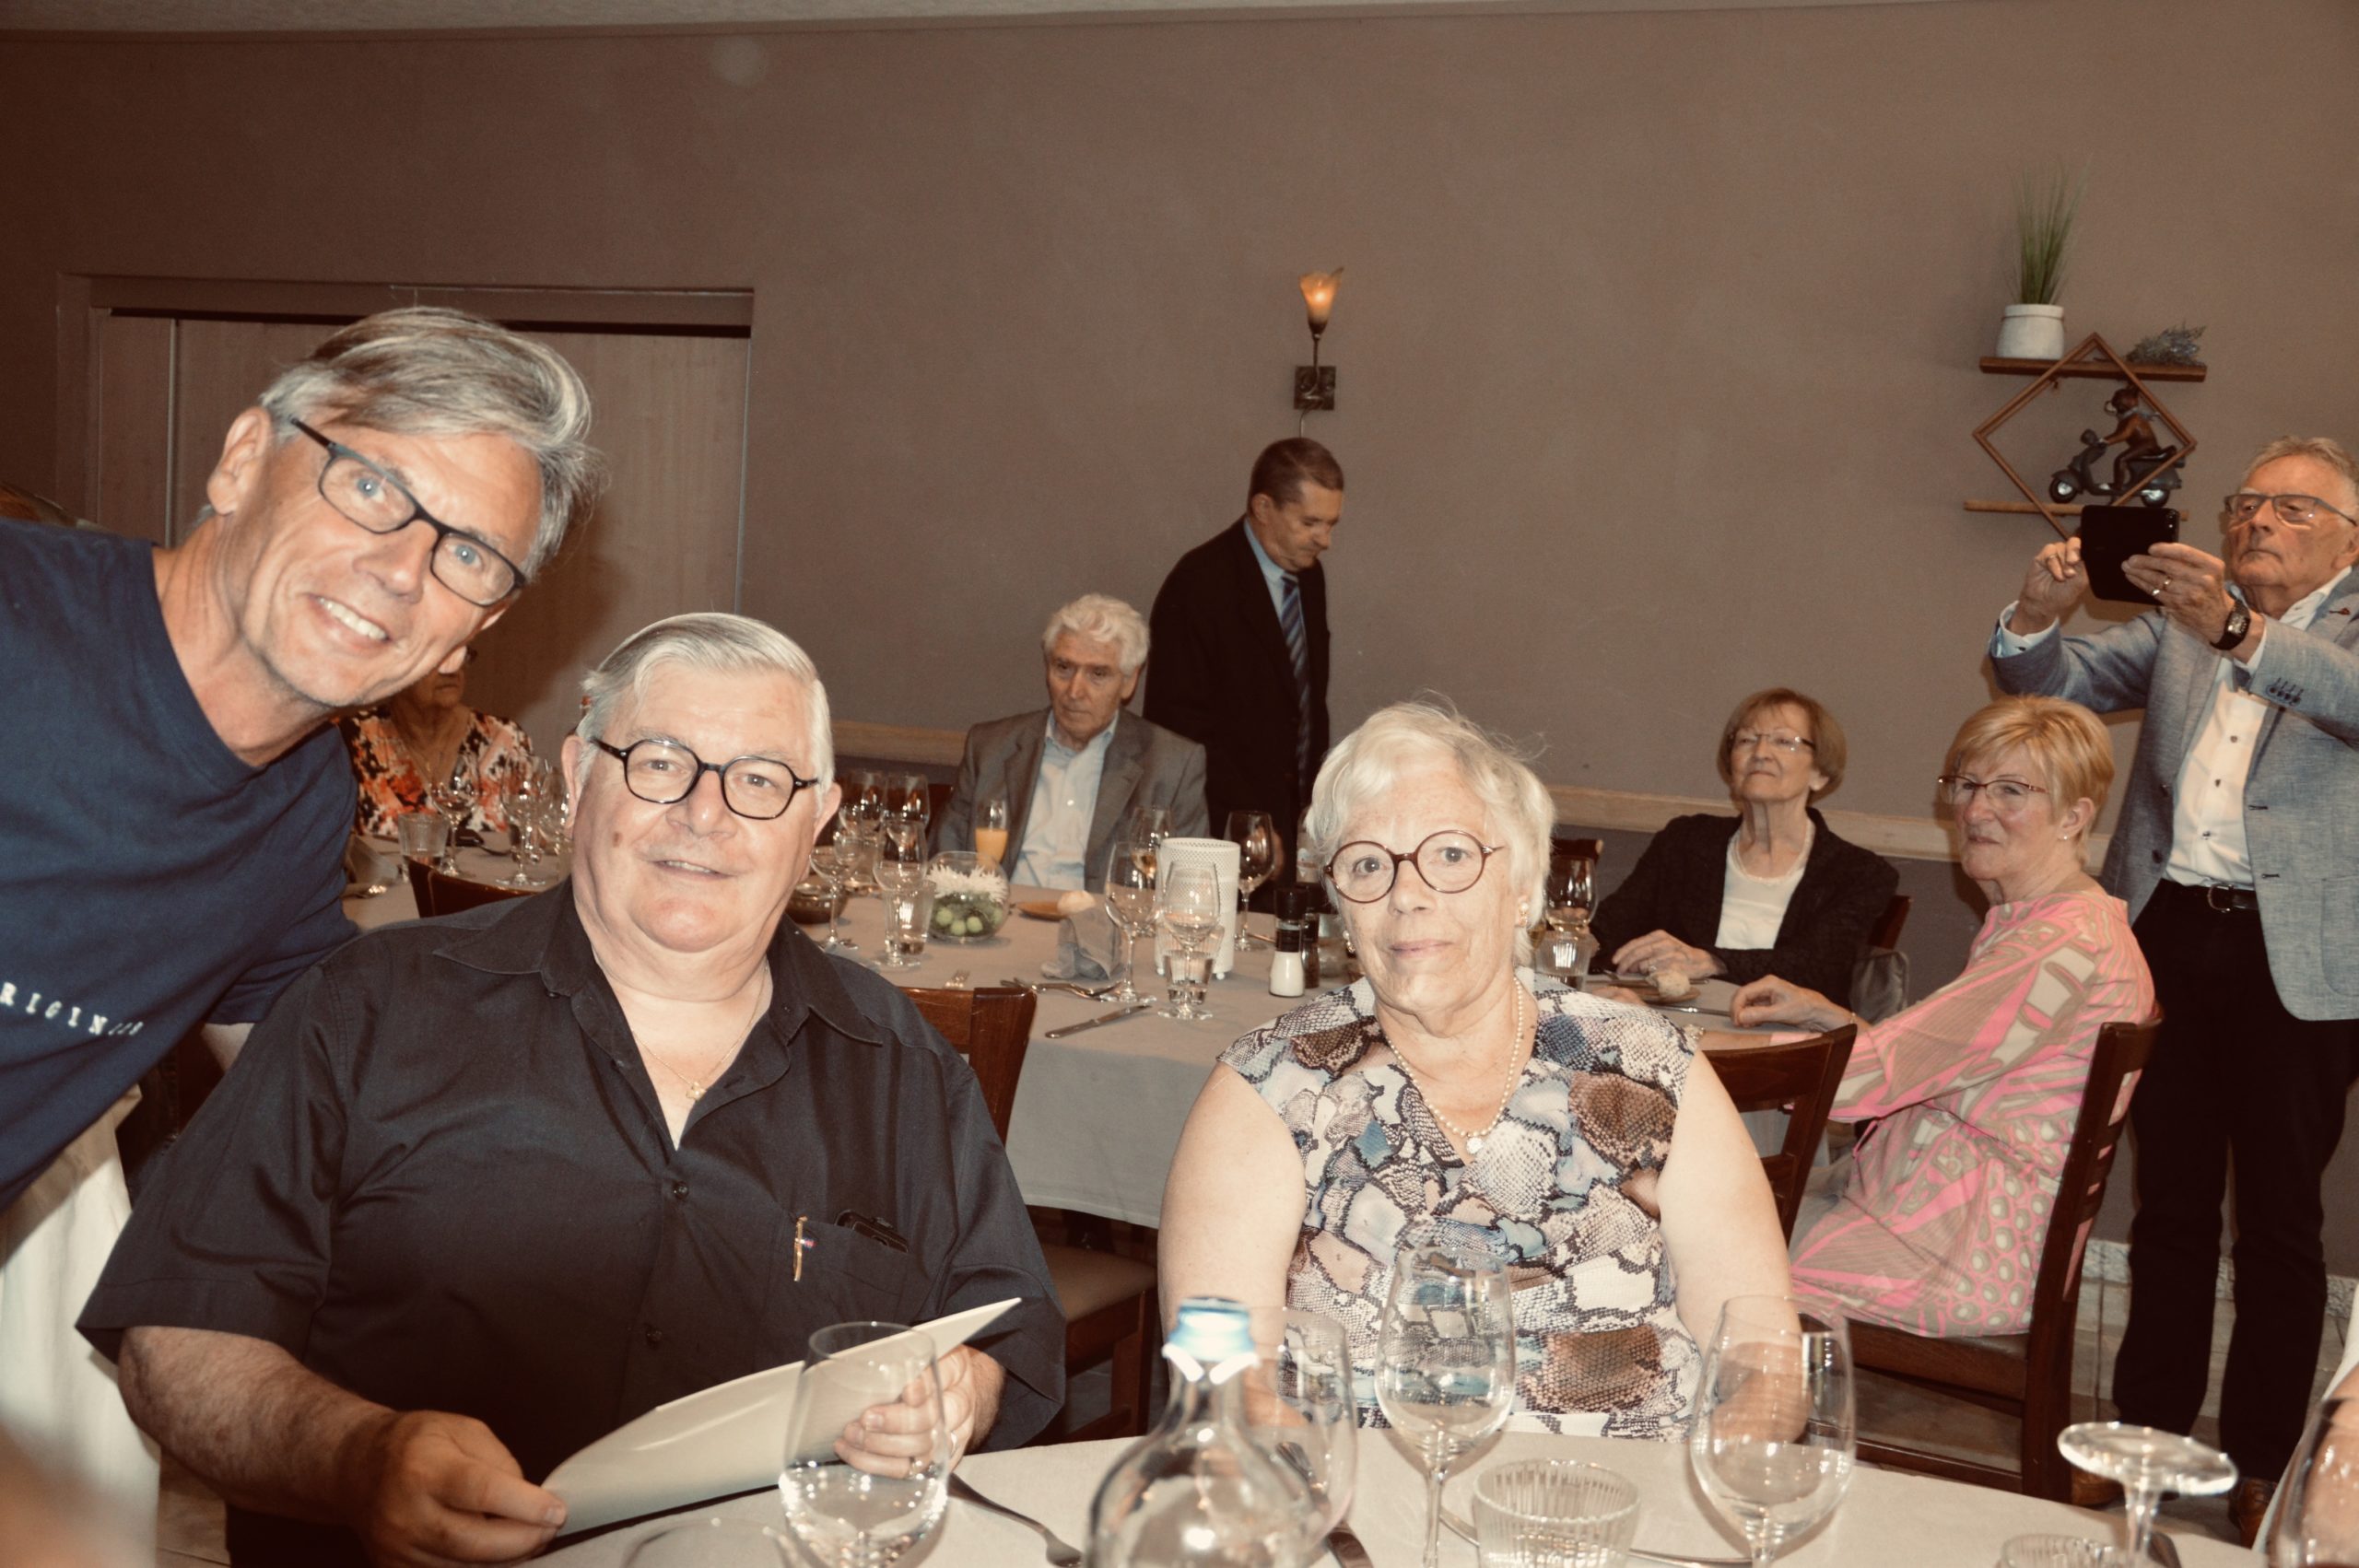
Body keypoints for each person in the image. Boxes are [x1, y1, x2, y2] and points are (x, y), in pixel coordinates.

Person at [79, 613, 1066, 1568]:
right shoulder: (369, 1007)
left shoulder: (900, 1063)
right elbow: (178, 1337)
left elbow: (1008, 1331)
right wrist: (355, 1457)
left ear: (815, 821)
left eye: (761, 780)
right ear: (579, 773)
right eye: (661, 762)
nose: (706, 815)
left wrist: (959, 1393)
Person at [0, 306, 597, 1537]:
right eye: (372, 486)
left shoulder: (297, 810)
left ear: (478, 627)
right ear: (240, 461)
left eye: (469, 556)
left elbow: (342, 1088)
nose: (403, 570)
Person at [1160, 700, 1790, 1437]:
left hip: (1634, 1497)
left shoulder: (1651, 1066)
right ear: (1341, 906)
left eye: (1452, 856)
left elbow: (1764, 1360)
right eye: (1368, 864)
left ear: (1522, 888)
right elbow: (1221, 1381)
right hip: (1358, 1497)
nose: (1407, 895)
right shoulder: (1270, 1085)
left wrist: (1710, 1482)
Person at [1988, 436, 2359, 1538]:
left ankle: (2256, 1465)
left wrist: (2238, 631)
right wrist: (2033, 616)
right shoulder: (2178, 626)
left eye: (2291, 509)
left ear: (2350, 542)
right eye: (2246, 503)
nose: (2257, 521)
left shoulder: (2316, 630)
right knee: (2169, 1207)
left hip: (2297, 961)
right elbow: (2049, 685)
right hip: (2167, 936)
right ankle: (2144, 1440)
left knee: (2280, 1223)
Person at [1729, 696, 2154, 1336]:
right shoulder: (2058, 923)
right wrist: (1827, 1014)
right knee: (1712, 1208)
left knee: (1697, 1247)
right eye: (1967, 784)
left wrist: (1691, 1057)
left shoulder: (2057, 949)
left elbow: (1874, 1078)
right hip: (1925, 1208)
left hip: (1952, 1252)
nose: (1975, 810)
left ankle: (1741, 1394)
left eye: (2011, 791)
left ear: (2073, 816)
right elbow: (1940, 1064)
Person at [1590, 688, 1898, 1005]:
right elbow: (1612, 929)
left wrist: (1713, 961)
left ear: (1819, 773)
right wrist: (1574, 939)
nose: (1761, 752)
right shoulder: (1685, 842)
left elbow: (1817, 966)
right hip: (1674, 1020)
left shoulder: (1860, 873)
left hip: (1789, 1030)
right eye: (1747, 740)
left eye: (1783, 741)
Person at [1146, 438, 1342, 877]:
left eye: (1331, 524)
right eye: (1310, 522)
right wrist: (1245, 819)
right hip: (1218, 828)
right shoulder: (1199, 584)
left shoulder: (1309, 579)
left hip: (1290, 824)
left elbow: (1307, 704)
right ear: (1263, 507)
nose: (1325, 540)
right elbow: (1176, 727)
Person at [937, 593, 1208, 888]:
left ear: (1129, 681)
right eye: (1064, 668)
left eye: (1098, 674)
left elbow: (1190, 885)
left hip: (1105, 916)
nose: (1075, 691)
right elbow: (942, 865)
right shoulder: (991, 748)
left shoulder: (1172, 765)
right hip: (1003, 913)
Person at [339, 649, 537, 837]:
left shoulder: (504, 740)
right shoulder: (352, 740)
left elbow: (533, 840)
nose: (452, 668)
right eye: (437, 656)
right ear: (396, 666)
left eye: (459, 653)